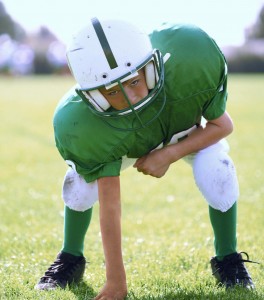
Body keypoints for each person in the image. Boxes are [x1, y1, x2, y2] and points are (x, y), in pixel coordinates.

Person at [35, 17, 258, 299]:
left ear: (152, 66)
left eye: (135, 81)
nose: (130, 97)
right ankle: (70, 257)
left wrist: (170, 153)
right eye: (113, 91)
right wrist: (116, 281)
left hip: (185, 133)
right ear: (94, 95)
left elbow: (223, 125)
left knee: (219, 174)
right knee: (78, 188)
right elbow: (111, 205)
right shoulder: (83, 122)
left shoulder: (189, 61)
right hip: (127, 143)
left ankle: (228, 258)